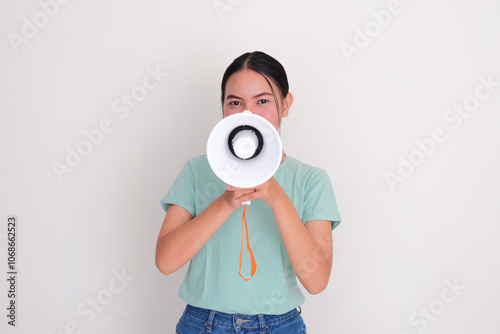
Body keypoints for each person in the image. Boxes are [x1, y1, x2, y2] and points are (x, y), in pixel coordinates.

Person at [155, 51, 341, 334]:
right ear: (223, 106)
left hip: (279, 326)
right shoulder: (196, 171)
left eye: (263, 101)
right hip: (202, 324)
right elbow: (166, 262)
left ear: (286, 104)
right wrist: (228, 201)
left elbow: (316, 281)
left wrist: (278, 199)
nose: (247, 113)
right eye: (235, 102)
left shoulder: (310, 180)